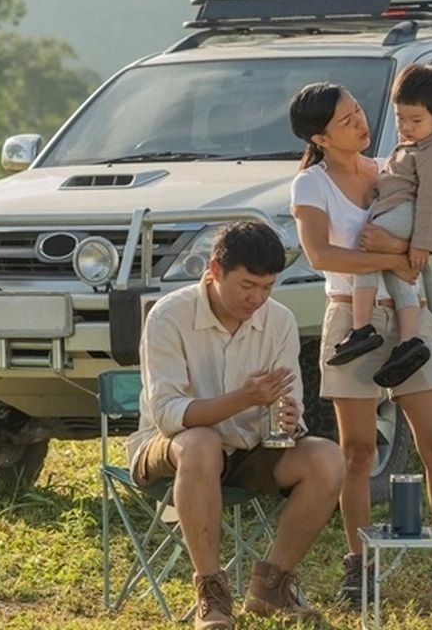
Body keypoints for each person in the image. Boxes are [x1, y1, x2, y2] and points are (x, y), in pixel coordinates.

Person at [287, 81, 432, 614]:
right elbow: (318, 253)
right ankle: (361, 563)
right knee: (357, 452)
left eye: (359, 112)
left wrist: (398, 251)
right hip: (351, 321)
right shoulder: (310, 185)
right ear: (321, 137)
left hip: (408, 317)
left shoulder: (390, 167)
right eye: (346, 120)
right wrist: (393, 259)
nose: (361, 123)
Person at [126, 220, 345, 630]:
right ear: (214, 270)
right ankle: (211, 591)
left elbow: (288, 397)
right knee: (201, 443)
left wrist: (290, 417)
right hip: (170, 448)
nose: (257, 298)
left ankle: (271, 587)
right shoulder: (168, 316)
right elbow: (169, 414)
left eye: (267, 287)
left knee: (328, 458)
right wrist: (242, 399)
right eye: (247, 285)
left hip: (248, 446)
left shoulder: (278, 320)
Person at [326, 64, 432, 394]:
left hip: (406, 214)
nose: (406, 127)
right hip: (400, 211)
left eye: (416, 120)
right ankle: (409, 341)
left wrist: (421, 245)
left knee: (367, 252)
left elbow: (430, 200)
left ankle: (362, 326)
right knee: (398, 277)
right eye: (400, 118)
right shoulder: (416, 146)